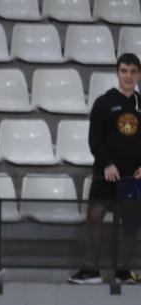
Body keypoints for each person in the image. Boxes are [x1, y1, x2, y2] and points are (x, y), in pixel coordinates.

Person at [69, 52, 141, 285]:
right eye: (124, 71)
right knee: (95, 216)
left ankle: (122, 272)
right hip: (105, 173)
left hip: (133, 178)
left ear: (138, 74)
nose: (128, 76)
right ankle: (91, 270)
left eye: (132, 71)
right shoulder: (103, 102)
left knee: (130, 224)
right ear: (117, 73)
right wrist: (108, 164)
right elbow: (95, 141)